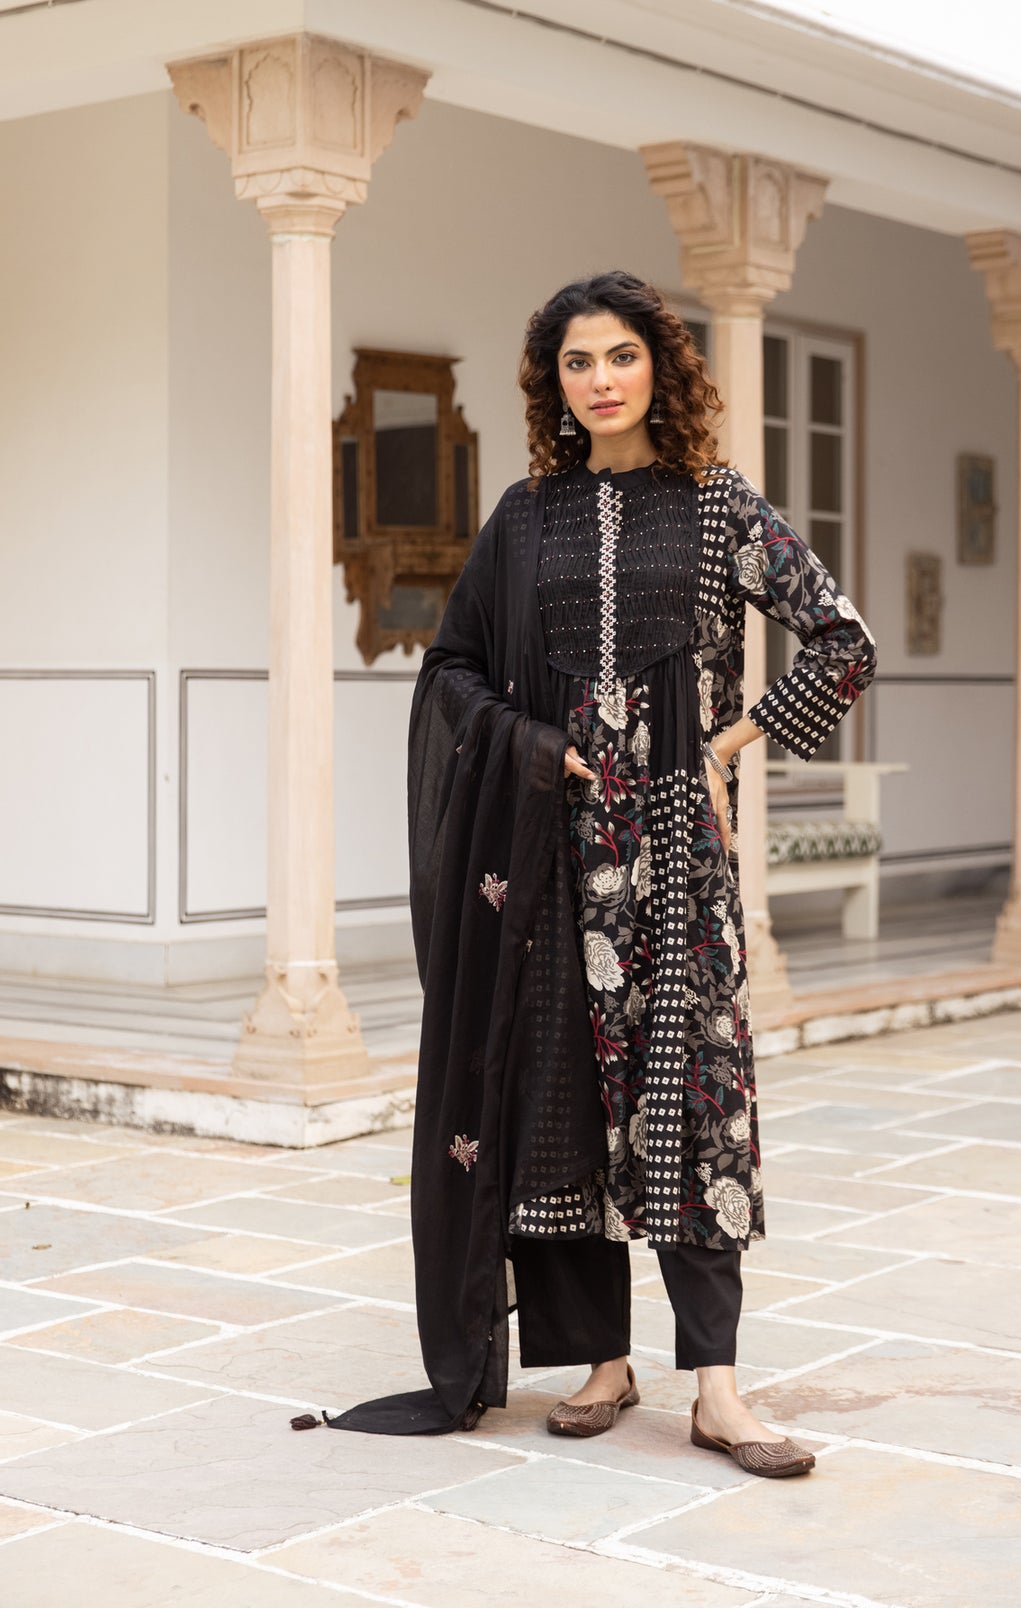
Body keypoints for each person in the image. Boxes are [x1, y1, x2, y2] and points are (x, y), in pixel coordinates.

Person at [310, 271, 876, 1477]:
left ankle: (716, 1390)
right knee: (557, 1102)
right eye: (578, 362)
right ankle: (602, 1363)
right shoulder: (526, 518)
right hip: (551, 852)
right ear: (553, 383)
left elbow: (843, 640)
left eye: (621, 355)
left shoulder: (718, 505)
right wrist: (527, 746)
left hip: (677, 856)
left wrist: (726, 745)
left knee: (692, 1104)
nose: (601, 380)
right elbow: (453, 667)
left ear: (659, 367)